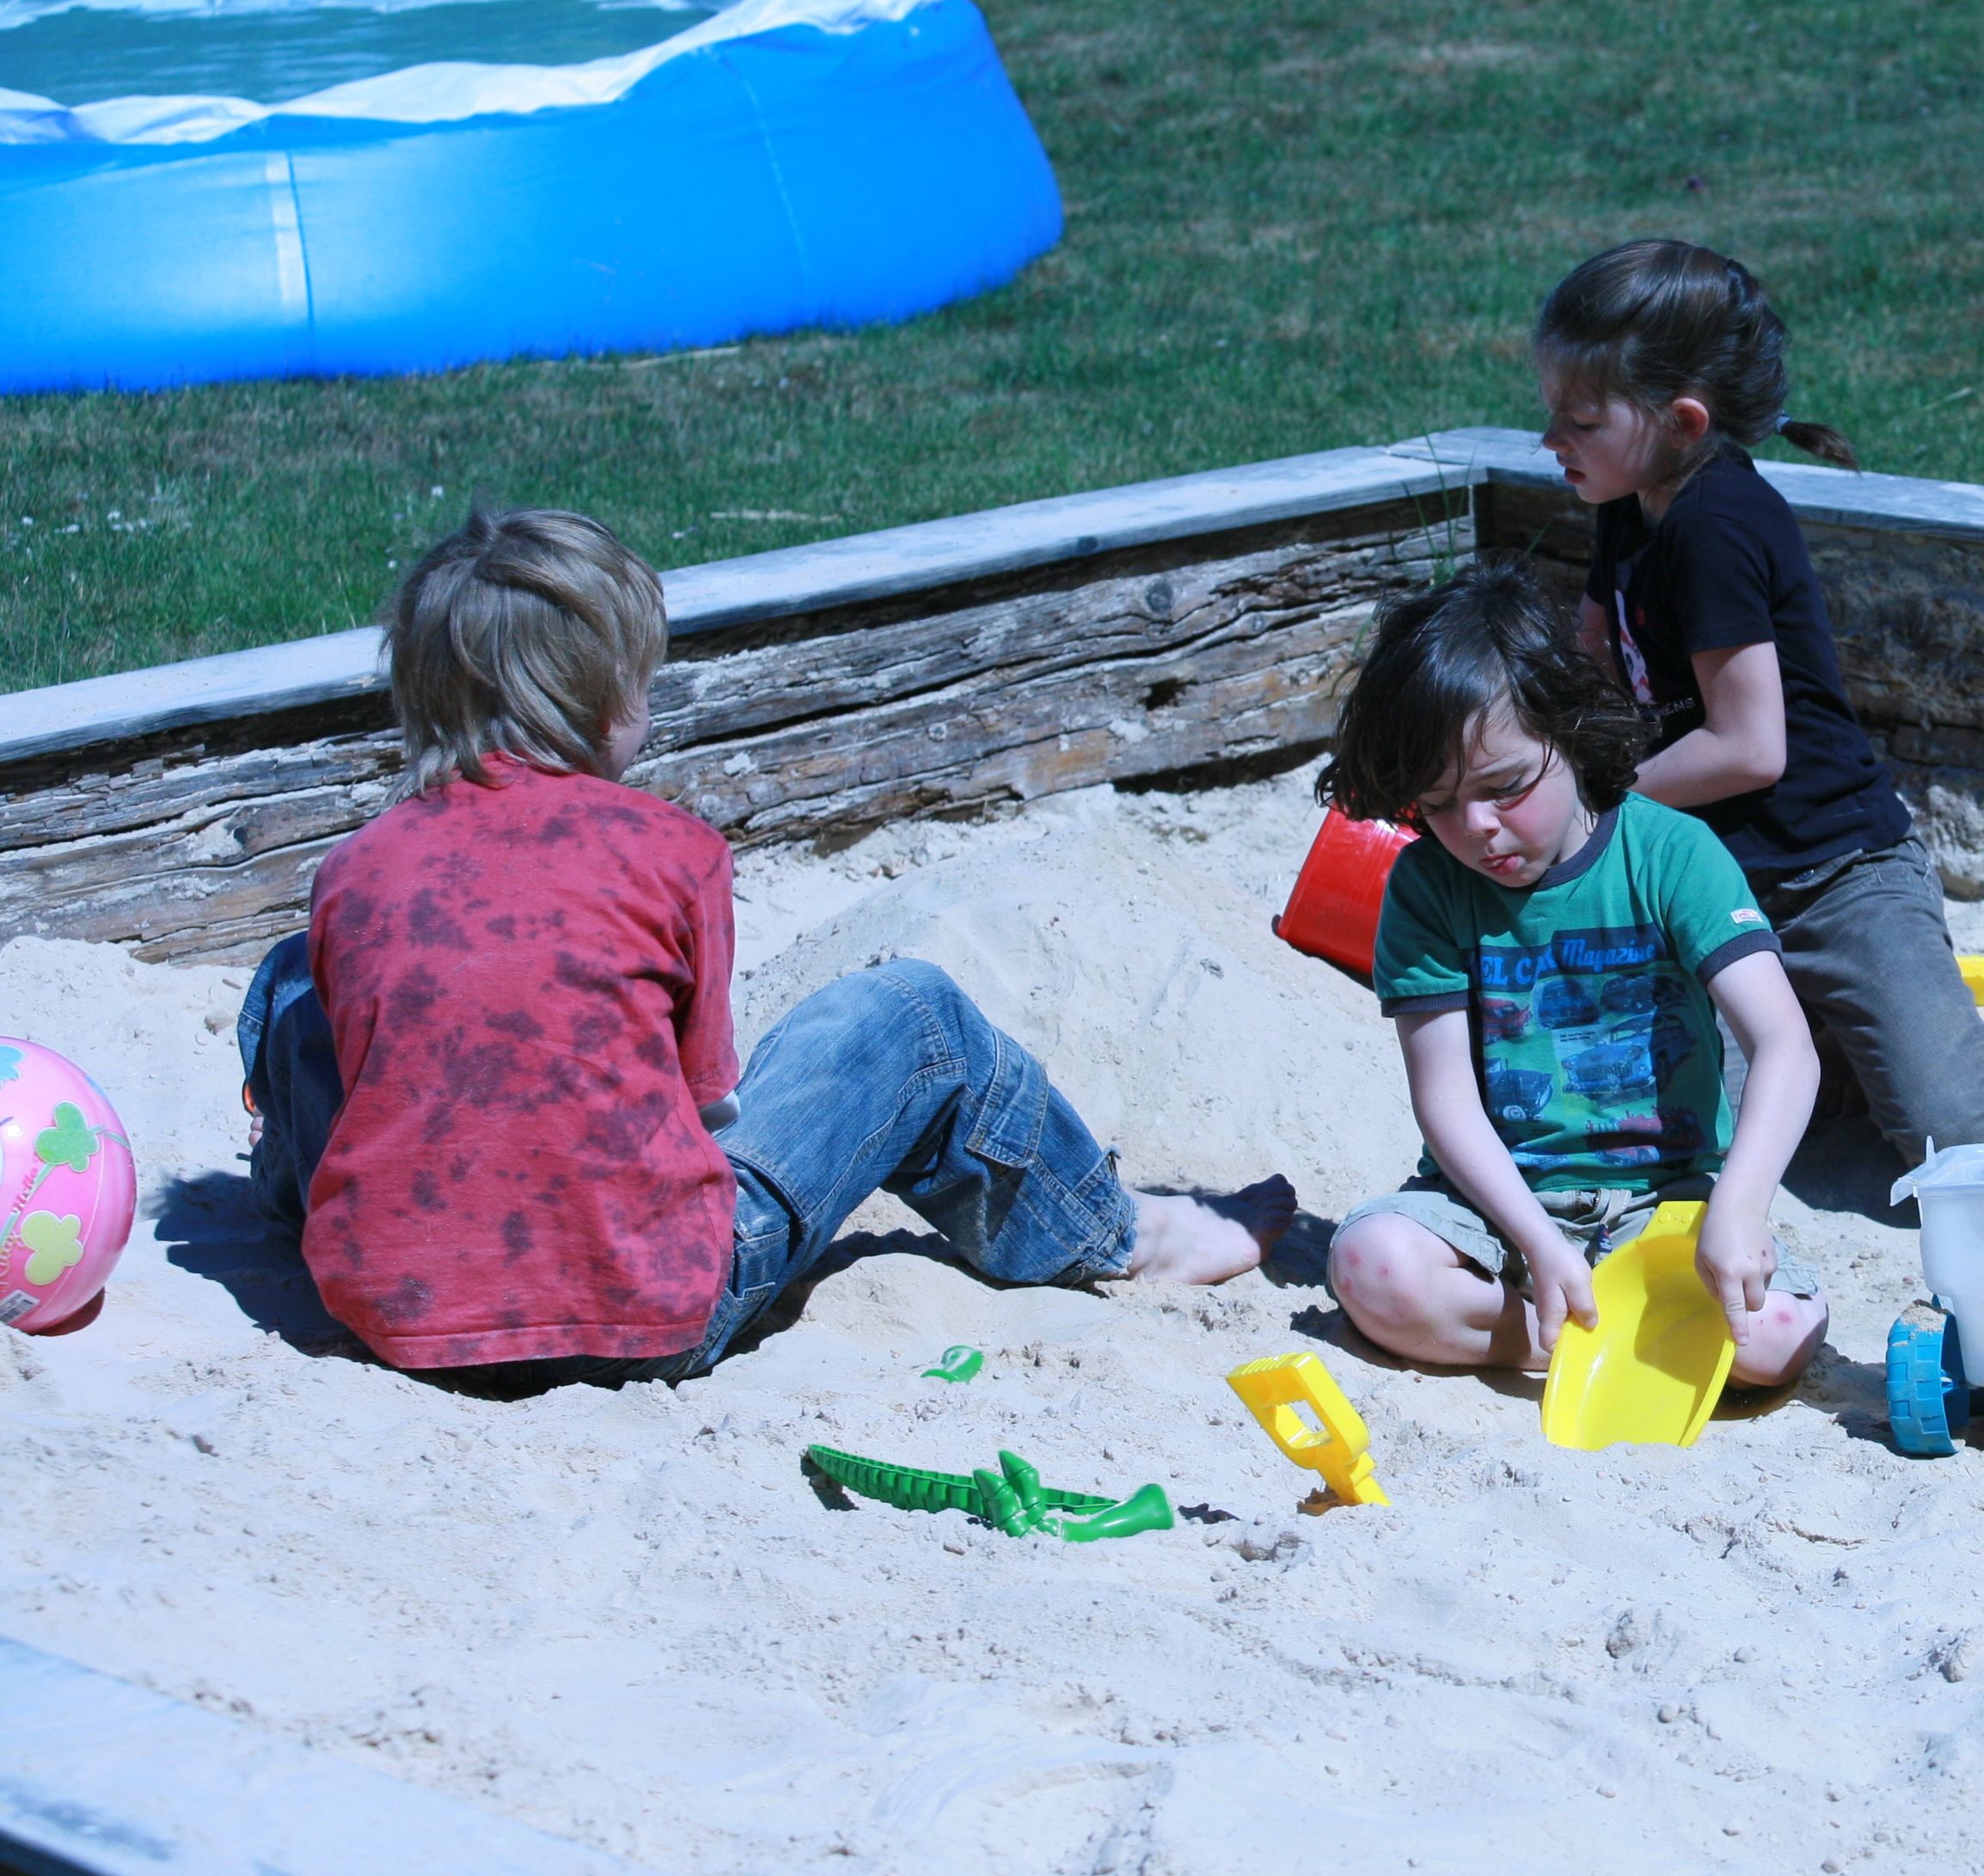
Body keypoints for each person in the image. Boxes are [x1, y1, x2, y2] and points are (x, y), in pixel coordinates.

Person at [236, 507, 1263, 1382]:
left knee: (291, 980)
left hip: (394, 1314)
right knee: (912, 1013)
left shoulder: (356, 868)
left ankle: (298, 1193)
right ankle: (1116, 1231)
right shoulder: (671, 850)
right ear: (607, 703)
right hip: (648, 1316)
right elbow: (703, 1110)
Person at [1536, 237, 1984, 1171]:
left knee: (1954, 1131)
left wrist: (1594, 800)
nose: (1550, 439)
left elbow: (1749, 747)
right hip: (1705, 873)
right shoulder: (1625, 499)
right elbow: (1592, 656)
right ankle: (1814, 1039)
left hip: (1834, 869)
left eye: (1579, 418)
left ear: (1682, 420)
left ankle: (1878, 1033)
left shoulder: (1717, 523)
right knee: (1666, 1120)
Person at [1318, 561, 1826, 1389]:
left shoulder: (1671, 853)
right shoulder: (1426, 886)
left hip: (1667, 1201)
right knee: (1374, 1267)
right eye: (1437, 805)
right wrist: (1536, 1242)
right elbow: (1443, 1094)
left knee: (1775, 1339)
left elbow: (1785, 1046)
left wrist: (1739, 1207)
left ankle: (1600, 1324)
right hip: (1495, 1208)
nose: (1476, 828)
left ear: (1568, 730)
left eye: (1504, 787)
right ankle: (1571, 1341)